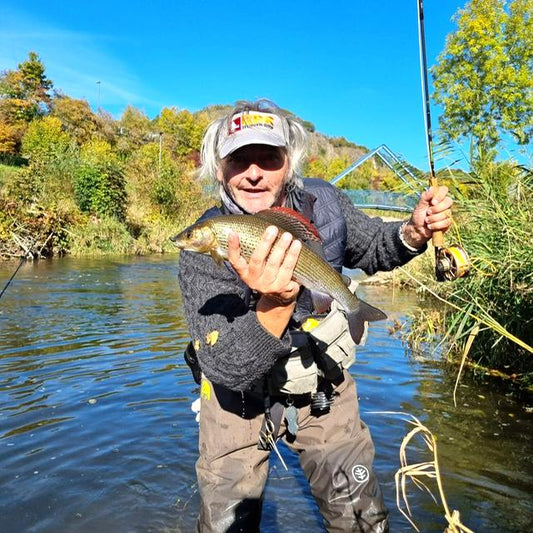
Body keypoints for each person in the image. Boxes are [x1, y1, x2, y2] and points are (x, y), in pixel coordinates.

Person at [178, 99, 453, 532]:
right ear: (219, 168)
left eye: (268, 158)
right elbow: (225, 367)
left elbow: (375, 247)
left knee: (361, 522)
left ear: (288, 163)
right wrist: (276, 302)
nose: (254, 172)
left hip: (321, 381)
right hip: (238, 399)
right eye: (238, 159)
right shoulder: (203, 247)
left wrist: (414, 231)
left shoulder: (325, 201)